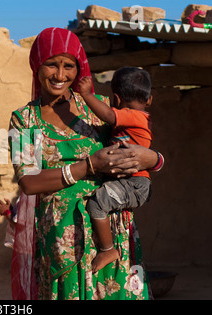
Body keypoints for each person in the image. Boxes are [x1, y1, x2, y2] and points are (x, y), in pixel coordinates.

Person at [9, 27, 164, 300]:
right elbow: (28, 182)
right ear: (37, 65)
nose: (60, 75)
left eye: (69, 66)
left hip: (113, 232)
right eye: (51, 65)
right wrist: (89, 166)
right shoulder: (24, 120)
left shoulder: (98, 108)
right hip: (60, 237)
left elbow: (141, 145)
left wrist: (155, 159)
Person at [78, 67, 154, 273]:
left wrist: (86, 95)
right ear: (150, 99)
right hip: (132, 184)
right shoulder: (136, 119)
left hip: (135, 184)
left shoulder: (133, 116)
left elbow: (110, 116)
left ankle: (108, 249)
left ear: (117, 99)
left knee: (96, 204)